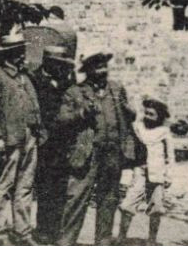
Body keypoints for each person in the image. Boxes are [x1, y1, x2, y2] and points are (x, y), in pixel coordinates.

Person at [57, 52, 135, 245]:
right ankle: (66, 242)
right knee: (77, 198)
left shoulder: (117, 90)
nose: (103, 71)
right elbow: (62, 119)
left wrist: (130, 112)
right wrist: (81, 113)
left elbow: (128, 116)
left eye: (104, 66)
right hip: (87, 153)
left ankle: (103, 241)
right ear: (89, 70)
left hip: (113, 152)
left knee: (109, 198)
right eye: (98, 67)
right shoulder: (75, 92)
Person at [0, 33, 42, 245]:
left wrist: (37, 131)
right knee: (2, 186)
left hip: (29, 138)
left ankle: (23, 232)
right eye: (20, 51)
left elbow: (34, 105)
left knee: (25, 188)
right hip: (8, 140)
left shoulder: (24, 78)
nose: (23, 55)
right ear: (10, 54)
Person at [32, 45, 76, 245]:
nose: (62, 68)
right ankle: (42, 229)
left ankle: (54, 230)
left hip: (62, 142)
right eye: (58, 64)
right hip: (43, 141)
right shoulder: (34, 80)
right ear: (48, 63)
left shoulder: (67, 82)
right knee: (44, 187)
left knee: (59, 187)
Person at [118, 98, 173, 245]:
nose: (148, 117)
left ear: (159, 117)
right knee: (127, 204)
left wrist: (168, 176)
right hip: (140, 172)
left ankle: (152, 240)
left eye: (152, 115)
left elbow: (170, 156)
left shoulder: (164, 132)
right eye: (146, 113)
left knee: (156, 207)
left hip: (157, 173)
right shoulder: (138, 128)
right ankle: (121, 237)